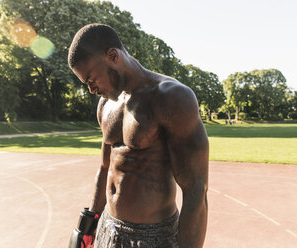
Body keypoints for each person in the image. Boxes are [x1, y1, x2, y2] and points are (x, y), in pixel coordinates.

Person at [67, 24, 209, 248]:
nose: (91, 90)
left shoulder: (172, 97)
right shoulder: (105, 104)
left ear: (112, 56)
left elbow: (196, 188)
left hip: (152, 236)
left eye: (91, 79)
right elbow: (105, 168)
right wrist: (89, 223)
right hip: (108, 226)